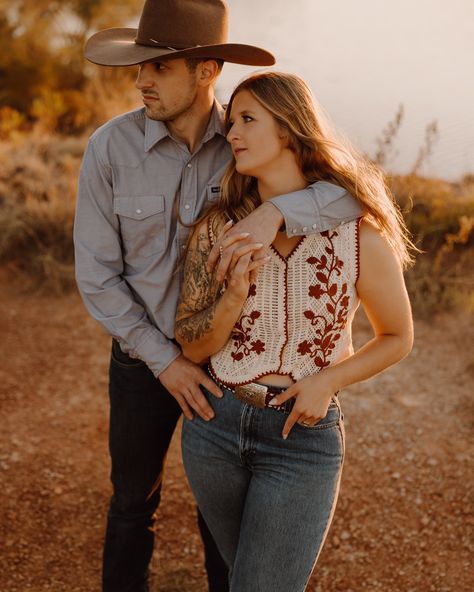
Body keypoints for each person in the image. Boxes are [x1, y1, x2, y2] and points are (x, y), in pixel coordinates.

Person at [74, 1, 362, 590]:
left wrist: (276, 212)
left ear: (206, 70)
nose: (140, 80)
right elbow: (98, 276)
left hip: (232, 364)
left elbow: (348, 196)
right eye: (140, 66)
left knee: (221, 516)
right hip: (145, 358)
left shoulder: (249, 133)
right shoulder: (110, 148)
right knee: (132, 501)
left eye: (159, 67)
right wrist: (167, 361)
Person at [175, 71, 415, 592]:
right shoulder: (217, 229)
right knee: (242, 576)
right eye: (231, 120)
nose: (231, 133)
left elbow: (398, 335)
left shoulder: (358, 235)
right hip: (214, 425)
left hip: (301, 437)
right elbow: (192, 345)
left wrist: (329, 382)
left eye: (247, 120)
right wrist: (234, 296)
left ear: (288, 130)